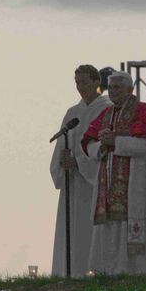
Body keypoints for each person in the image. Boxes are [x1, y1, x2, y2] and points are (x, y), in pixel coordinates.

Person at [81, 71, 146, 275]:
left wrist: (117, 142)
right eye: (110, 88)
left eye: (117, 87)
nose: (112, 92)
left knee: (134, 227)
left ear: (130, 89)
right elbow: (88, 142)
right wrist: (102, 147)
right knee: (110, 229)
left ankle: (139, 273)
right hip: (108, 186)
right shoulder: (105, 114)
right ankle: (106, 272)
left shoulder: (145, 111)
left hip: (136, 186)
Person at [50, 65, 112, 277]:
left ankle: (94, 273)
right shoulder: (72, 113)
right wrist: (63, 162)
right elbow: (61, 147)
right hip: (74, 184)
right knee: (72, 233)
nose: (80, 87)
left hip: (94, 182)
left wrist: (80, 162)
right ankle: (70, 273)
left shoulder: (107, 109)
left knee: (91, 230)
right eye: (77, 83)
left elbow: (104, 148)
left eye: (84, 82)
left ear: (97, 82)